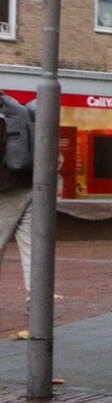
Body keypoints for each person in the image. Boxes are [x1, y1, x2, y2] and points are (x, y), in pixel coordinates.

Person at [0, 92, 34, 308]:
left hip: (7, 192)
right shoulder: (23, 117)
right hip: (33, 187)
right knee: (32, 248)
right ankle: (37, 299)